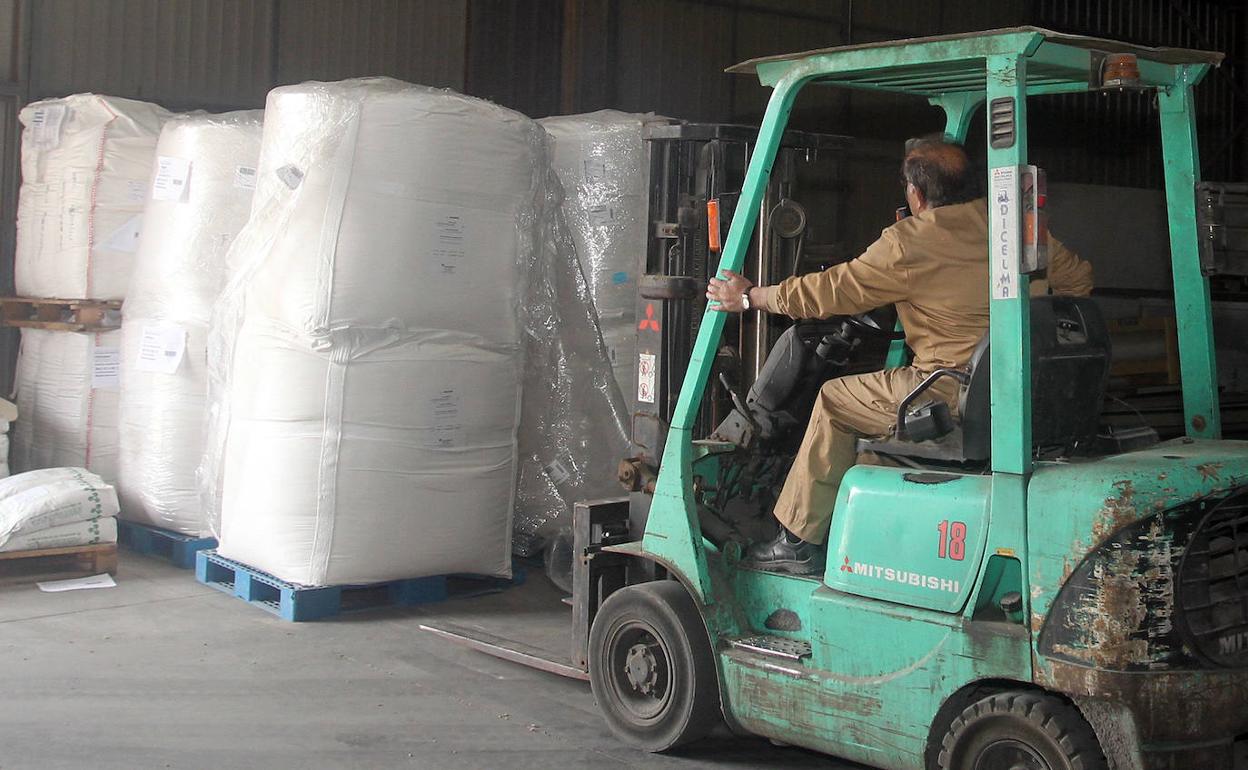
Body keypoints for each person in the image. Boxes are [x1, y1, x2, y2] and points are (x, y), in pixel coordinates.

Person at [706, 137, 1093, 575]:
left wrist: (752, 297)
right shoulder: (1013, 226)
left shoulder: (910, 242)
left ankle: (795, 541)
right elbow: (1078, 280)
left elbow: (832, 290)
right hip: (1018, 386)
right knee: (872, 434)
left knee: (835, 401)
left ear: (916, 193)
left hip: (949, 391)